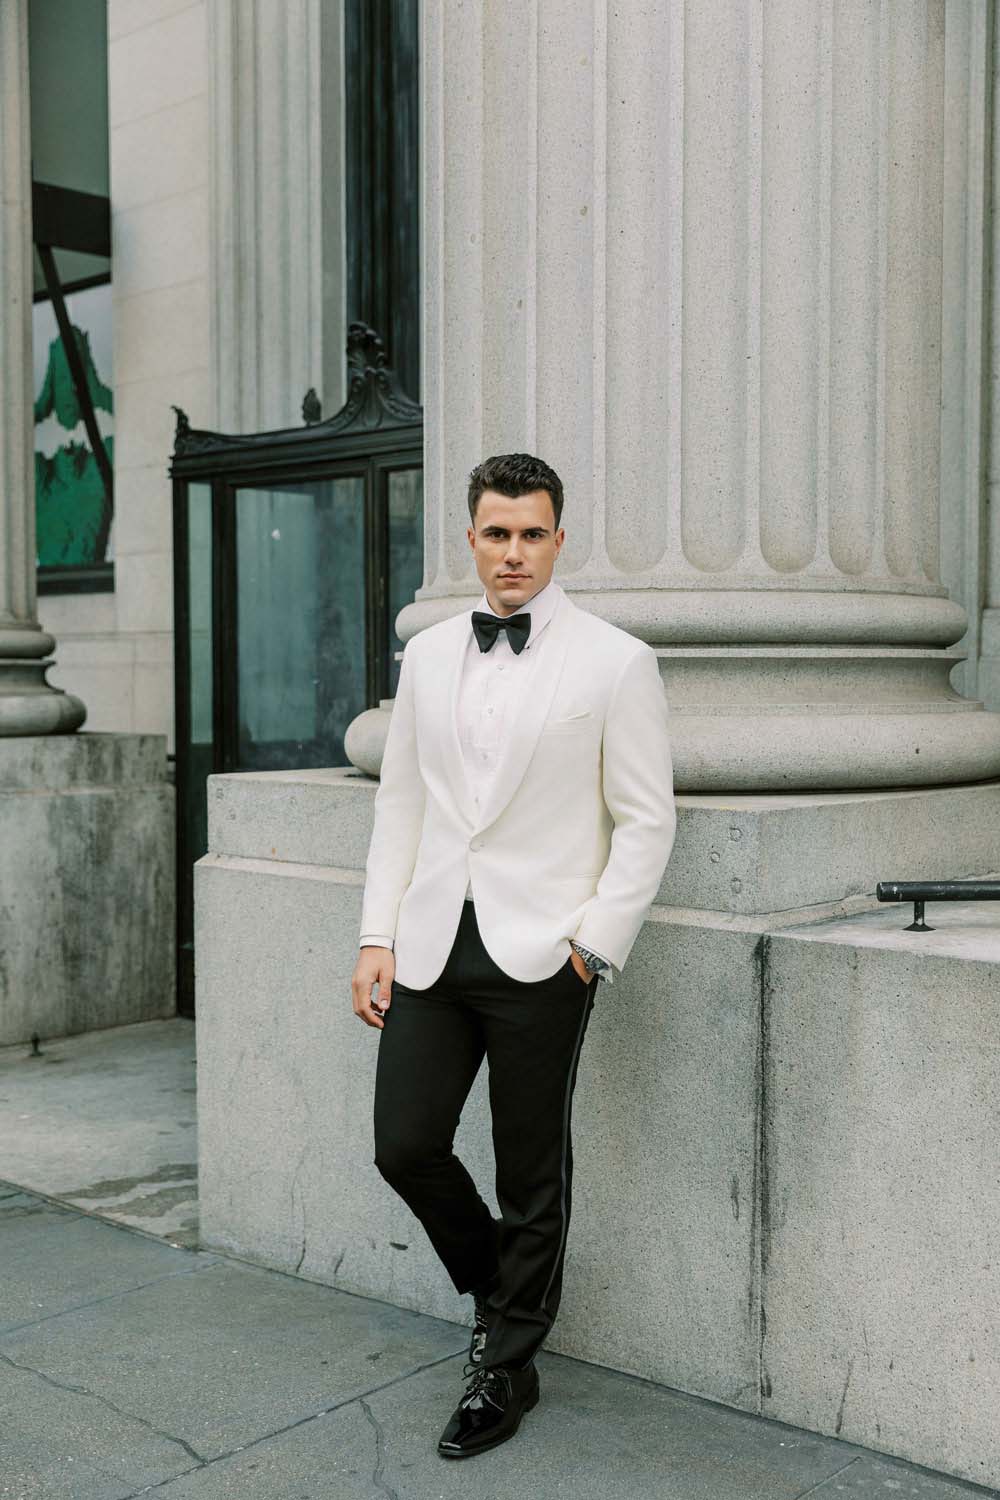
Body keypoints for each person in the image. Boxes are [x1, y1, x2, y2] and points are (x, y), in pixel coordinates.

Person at [351, 451, 677, 1459]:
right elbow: (401, 802)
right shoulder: (431, 654)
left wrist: (593, 943)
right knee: (403, 1143)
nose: (513, 553)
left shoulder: (615, 661)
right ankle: (507, 1290)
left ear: (558, 540)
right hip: (432, 945)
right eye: (496, 533)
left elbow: (646, 820)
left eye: (531, 533)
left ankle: (507, 1362)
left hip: (548, 953)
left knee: (535, 1168)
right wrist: (376, 934)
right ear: (470, 539)